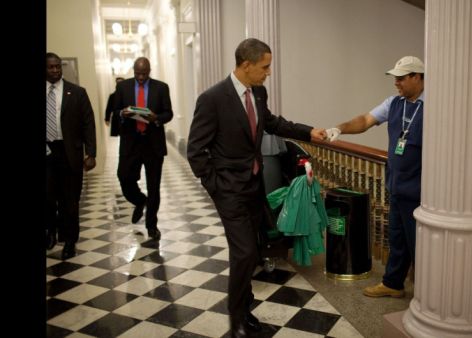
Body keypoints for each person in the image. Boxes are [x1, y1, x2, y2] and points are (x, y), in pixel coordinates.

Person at [187, 38, 327, 337]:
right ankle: (236, 318)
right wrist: (215, 186)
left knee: (252, 251)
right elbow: (196, 150)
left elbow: (273, 123)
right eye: (265, 66)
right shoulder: (212, 98)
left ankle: (245, 307)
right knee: (244, 253)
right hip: (229, 191)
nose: (268, 72)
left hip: (254, 186)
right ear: (246, 65)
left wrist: (308, 132)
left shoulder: (258, 93)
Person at [326, 56, 425, 298]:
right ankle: (393, 283)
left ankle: (430, 298)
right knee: (397, 239)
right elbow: (365, 120)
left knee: (420, 247)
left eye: (401, 78)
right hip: (397, 186)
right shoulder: (394, 103)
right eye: (395, 78)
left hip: (421, 190)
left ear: (417, 77)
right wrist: (339, 128)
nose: (397, 83)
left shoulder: (435, 106)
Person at [113, 57, 173, 241]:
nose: (140, 77)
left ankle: (152, 225)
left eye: (144, 74)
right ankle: (139, 200)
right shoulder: (123, 87)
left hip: (152, 143)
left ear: (149, 70)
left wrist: (156, 118)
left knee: (154, 186)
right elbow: (114, 111)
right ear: (133, 70)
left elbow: (168, 113)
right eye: (137, 73)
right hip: (131, 143)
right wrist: (123, 113)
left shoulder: (161, 87)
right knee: (124, 177)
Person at [46, 52, 97, 259]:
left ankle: (69, 240)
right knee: (48, 198)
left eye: (58, 66)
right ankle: (51, 230)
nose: (56, 70)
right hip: (46, 153)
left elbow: (88, 124)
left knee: (70, 200)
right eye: (51, 67)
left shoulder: (77, 93)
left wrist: (91, 153)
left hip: (69, 154)